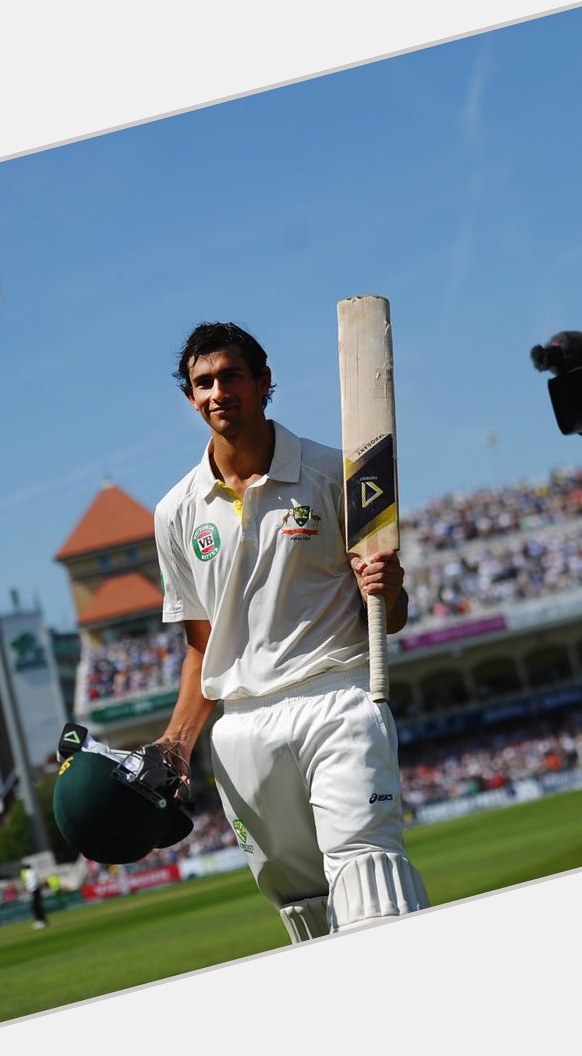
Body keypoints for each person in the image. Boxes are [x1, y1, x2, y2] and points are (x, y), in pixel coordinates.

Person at [150, 321, 430, 942]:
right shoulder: (175, 513)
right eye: (203, 382)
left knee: (366, 871)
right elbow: (202, 646)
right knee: (300, 902)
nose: (218, 391)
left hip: (338, 696)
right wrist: (176, 744)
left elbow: (392, 616)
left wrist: (389, 589)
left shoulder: (339, 473)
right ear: (190, 398)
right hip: (242, 727)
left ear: (264, 382)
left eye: (231, 376)